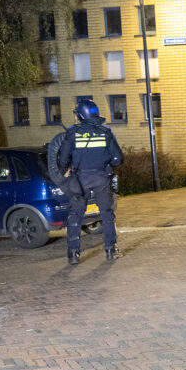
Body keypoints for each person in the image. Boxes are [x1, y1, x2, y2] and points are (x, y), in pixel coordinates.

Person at [57, 99, 124, 265]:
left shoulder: (73, 133)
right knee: (107, 214)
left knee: (76, 216)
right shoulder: (105, 132)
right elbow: (117, 159)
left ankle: (73, 254)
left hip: (80, 181)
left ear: (80, 115)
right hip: (101, 178)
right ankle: (110, 250)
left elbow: (63, 159)